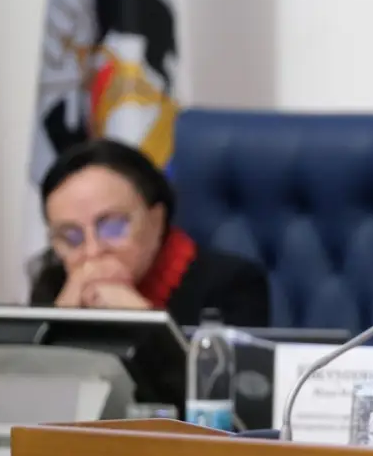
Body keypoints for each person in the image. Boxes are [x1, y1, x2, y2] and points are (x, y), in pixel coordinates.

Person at [29, 139, 271, 327]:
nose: (93, 251)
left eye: (112, 227)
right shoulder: (53, 285)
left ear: (156, 221)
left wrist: (143, 319)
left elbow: (227, 376)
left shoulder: (233, 285)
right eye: (72, 238)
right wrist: (59, 320)